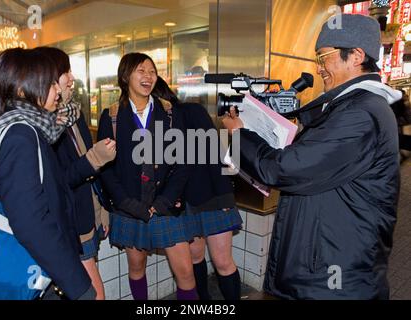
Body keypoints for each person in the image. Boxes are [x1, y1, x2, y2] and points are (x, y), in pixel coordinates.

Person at [222, 14, 401, 299]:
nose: (319, 69)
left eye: (323, 57)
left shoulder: (359, 114)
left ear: (355, 55)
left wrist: (240, 135)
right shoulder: (353, 108)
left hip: (334, 277)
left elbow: (284, 169)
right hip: (328, 261)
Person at [0, 48, 95, 300]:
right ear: (22, 89)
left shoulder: (30, 129)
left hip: (38, 266)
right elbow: (31, 221)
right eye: (50, 83)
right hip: (34, 270)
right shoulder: (20, 135)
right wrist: (78, 284)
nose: (58, 91)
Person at [98, 52, 198, 300]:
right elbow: (105, 169)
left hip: (165, 204)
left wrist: (165, 201)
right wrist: (127, 204)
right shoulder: (110, 117)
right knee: (136, 267)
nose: (148, 76)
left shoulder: (171, 113)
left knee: (186, 271)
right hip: (129, 207)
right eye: (141, 71)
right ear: (125, 76)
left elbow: (183, 163)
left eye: (152, 71)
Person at [35, 46, 117, 300]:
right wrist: (95, 158)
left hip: (86, 213)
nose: (71, 78)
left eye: (70, 71)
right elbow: (58, 182)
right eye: (65, 72)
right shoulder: (42, 125)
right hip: (70, 224)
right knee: (94, 293)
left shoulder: (74, 113)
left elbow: (89, 175)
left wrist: (102, 209)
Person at [152, 77, 243, 300]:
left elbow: (215, 153)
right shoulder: (151, 123)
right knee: (195, 258)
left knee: (222, 262)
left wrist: (225, 197)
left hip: (212, 196)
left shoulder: (192, 111)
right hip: (181, 203)